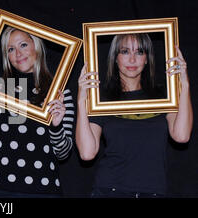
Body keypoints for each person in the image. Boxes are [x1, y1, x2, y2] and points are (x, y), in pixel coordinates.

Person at [0, 27, 74, 197]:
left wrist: (56, 126)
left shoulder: (59, 93)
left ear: (36, 46)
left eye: (23, 45)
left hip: (45, 190)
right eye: (11, 49)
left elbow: (63, 153)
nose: (18, 54)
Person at [76, 33, 193, 198]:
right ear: (115, 58)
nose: (132, 60)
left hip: (154, 192)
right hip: (109, 191)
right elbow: (87, 153)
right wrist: (82, 101)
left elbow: (181, 136)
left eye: (139, 52)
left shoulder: (164, 96)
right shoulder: (102, 100)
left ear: (147, 59)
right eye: (124, 51)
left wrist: (184, 84)